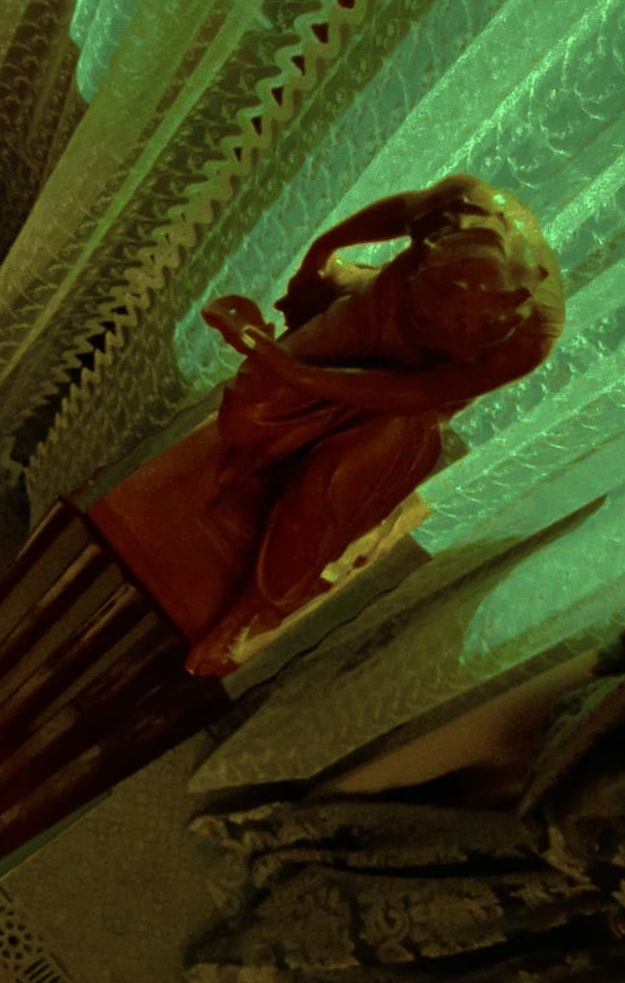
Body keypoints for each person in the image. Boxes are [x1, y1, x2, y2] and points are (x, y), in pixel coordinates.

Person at [185, 173, 565, 675]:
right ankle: (255, 475)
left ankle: (245, 613)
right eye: (426, 317)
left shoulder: (532, 336)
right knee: (243, 418)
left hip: (412, 404)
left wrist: (297, 373)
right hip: (373, 314)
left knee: (324, 494)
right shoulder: (465, 204)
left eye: (448, 336)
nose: (430, 332)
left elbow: (415, 392)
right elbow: (400, 211)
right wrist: (322, 253)